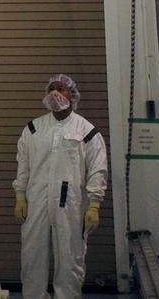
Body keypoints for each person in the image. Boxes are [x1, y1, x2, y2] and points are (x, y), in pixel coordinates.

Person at [14, 73, 108, 299]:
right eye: (51, 89)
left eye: (61, 88)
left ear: (72, 95)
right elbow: (23, 164)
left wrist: (94, 204)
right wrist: (20, 195)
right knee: (32, 256)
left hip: (70, 205)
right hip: (35, 202)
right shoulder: (33, 129)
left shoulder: (87, 131)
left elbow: (98, 169)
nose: (55, 93)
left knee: (70, 258)